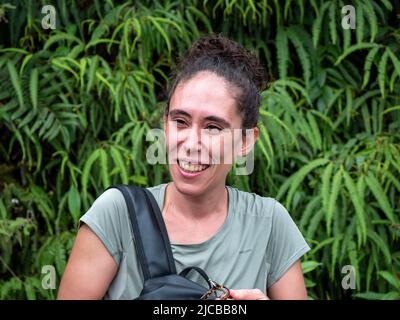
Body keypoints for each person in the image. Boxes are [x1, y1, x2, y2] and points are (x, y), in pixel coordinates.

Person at [58, 34, 311, 300]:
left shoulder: (269, 223)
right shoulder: (117, 215)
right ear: (165, 123)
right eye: (180, 121)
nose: (191, 143)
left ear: (245, 141)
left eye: (213, 127)